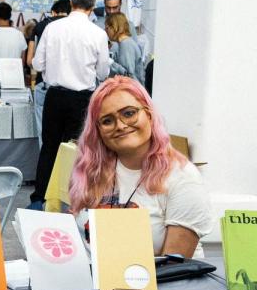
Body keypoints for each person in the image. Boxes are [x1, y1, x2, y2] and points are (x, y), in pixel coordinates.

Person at [68, 76, 213, 258]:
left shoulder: (182, 178)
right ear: (98, 131)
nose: (120, 125)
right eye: (107, 121)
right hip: (94, 282)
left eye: (129, 113)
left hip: (160, 284)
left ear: (149, 115)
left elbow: (174, 268)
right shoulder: (92, 170)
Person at [29, 0, 110, 209]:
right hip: (82, 99)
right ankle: (69, 198)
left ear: (72, 3)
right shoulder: (98, 34)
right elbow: (103, 73)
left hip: (54, 95)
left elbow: (37, 64)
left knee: (49, 147)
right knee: (76, 149)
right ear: (92, 7)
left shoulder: (52, 28)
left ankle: (39, 197)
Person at [28, 0, 71, 147]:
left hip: (44, 83)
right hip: (70, 87)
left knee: (44, 132)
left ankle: (46, 165)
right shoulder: (76, 28)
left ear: (53, 11)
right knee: (67, 133)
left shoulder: (41, 26)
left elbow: (30, 60)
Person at [106, 12, 145, 84]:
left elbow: (128, 75)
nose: (106, 31)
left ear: (114, 27)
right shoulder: (125, 43)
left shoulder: (126, 44)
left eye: (107, 28)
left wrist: (110, 62)